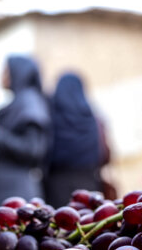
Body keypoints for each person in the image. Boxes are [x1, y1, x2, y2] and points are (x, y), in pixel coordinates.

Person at [0, 55, 50, 209]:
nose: (2, 75)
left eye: (6, 71)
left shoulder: (30, 102)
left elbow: (33, 149)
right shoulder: (18, 103)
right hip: (8, 188)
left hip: (19, 192)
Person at [45, 73, 105, 207]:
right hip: (89, 184)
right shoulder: (92, 118)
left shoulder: (51, 118)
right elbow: (103, 153)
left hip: (56, 186)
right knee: (89, 223)